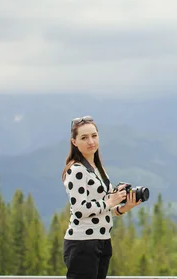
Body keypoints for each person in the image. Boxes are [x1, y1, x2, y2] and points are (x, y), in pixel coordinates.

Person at [61, 115, 142, 279]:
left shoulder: (98, 169)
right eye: (84, 137)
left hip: (102, 241)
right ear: (74, 142)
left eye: (94, 136)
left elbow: (103, 211)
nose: (91, 141)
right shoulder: (76, 170)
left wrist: (124, 207)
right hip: (83, 243)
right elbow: (79, 210)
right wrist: (110, 201)